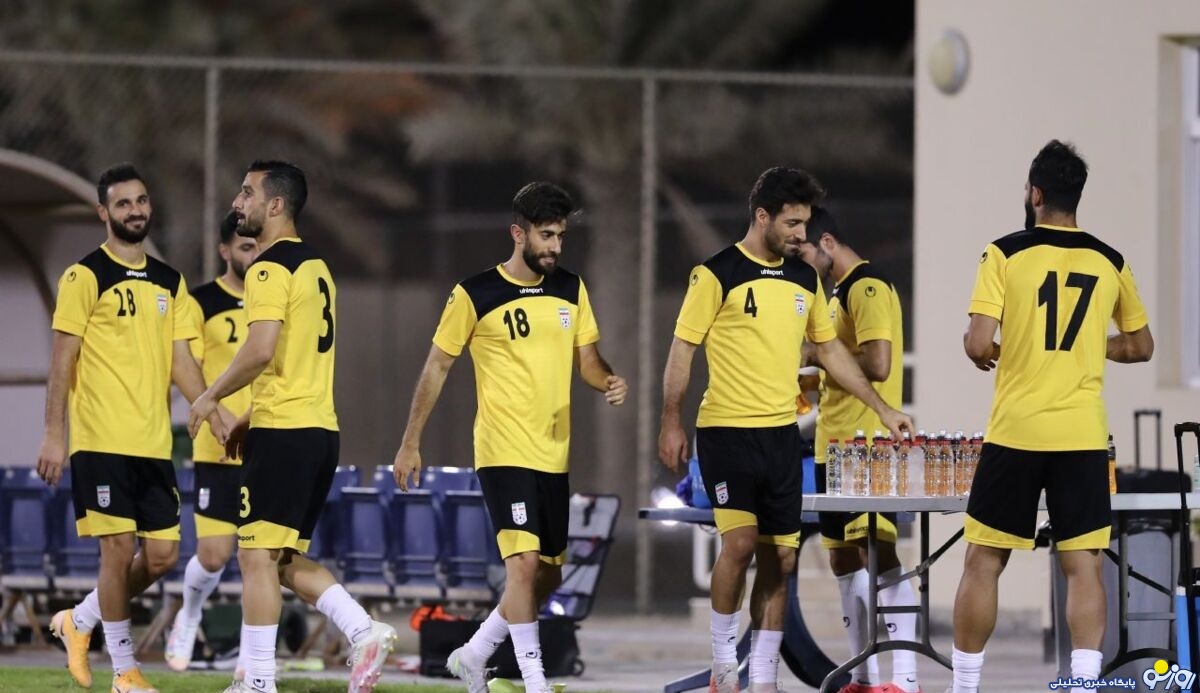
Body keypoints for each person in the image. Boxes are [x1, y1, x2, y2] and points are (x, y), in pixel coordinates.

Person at [658, 167, 913, 693]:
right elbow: (683, 349)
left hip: (779, 438)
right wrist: (670, 420)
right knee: (739, 545)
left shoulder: (804, 280)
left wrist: (883, 409)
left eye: (804, 224)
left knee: (782, 556)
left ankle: (764, 677)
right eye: (792, 223)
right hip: (726, 432)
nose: (801, 234)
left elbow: (829, 351)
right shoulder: (716, 273)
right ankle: (723, 665)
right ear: (762, 216)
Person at [392, 182, 627, 693]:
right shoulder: (474, 293)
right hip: (503, 450)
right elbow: (436, 367)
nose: (555, 246)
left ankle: (474, 654)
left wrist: (607, 379)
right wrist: (411, 441)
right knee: (522, 566)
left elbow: (587, 359)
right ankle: (534, 682)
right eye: (546, 235)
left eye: (560, 236)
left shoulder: (571, 288)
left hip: (554, 455)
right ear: (518, 234)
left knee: (547, 576)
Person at [949, 140, 1154, 693]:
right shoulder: (1110, 260)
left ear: (1036, 194)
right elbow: (1141, 346)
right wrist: (1089, 346)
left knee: (984, 560)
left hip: (1017, 431)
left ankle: (964, 685)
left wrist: (983, 348)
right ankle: (1083, 683)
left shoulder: (1003, 253)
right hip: (1082, 435)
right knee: (1084, 564)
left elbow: (978, 343)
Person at [189, 161, 396, 693]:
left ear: (275, 205)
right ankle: (363, 630)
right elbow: (296, 361)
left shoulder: (267, 268)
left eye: (247, 193)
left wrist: (211, 396)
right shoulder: (317, 268)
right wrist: (249, 417)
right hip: (316, 430)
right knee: (279, 560)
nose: (237, 202)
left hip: (285, 433)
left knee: (254, 556)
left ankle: (258, 682)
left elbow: (261, 351)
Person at [41, 163, 230, 693]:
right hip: (100, 439)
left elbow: (182, 361)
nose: (135, 210)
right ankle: (124, 670)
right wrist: (54, 434)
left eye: (141, 201)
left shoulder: (171, 282)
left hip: (153, 443)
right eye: (123, 203)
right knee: (118, 550)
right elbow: (62, 360)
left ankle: (78, 620)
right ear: (103, 212)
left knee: (163, 557)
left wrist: (213, 408)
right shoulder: (84, 276)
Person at [797, 206, 921, 693]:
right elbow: (841, 369)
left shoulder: (866, 286)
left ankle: (905, 679)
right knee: (842, 559)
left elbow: (880, 362)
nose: (799, 261)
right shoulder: (834, 295)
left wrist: (816, 354)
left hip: (866, 444)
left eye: (804, 251)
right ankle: (864, 678)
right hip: (831, 445)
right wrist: (814, 376)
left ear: (827, 242)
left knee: (878, 551)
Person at [165, 211, 259, 672]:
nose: (253, 255)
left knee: (260, 556)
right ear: (225, 251)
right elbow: (190, 369)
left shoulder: (276, 300)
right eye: (245, 248)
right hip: (218, 445)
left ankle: (252, 657)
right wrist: (219, 416)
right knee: (215, 553)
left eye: (258, 247)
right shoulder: (201, 302)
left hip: (267, 444)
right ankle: (190, 613)